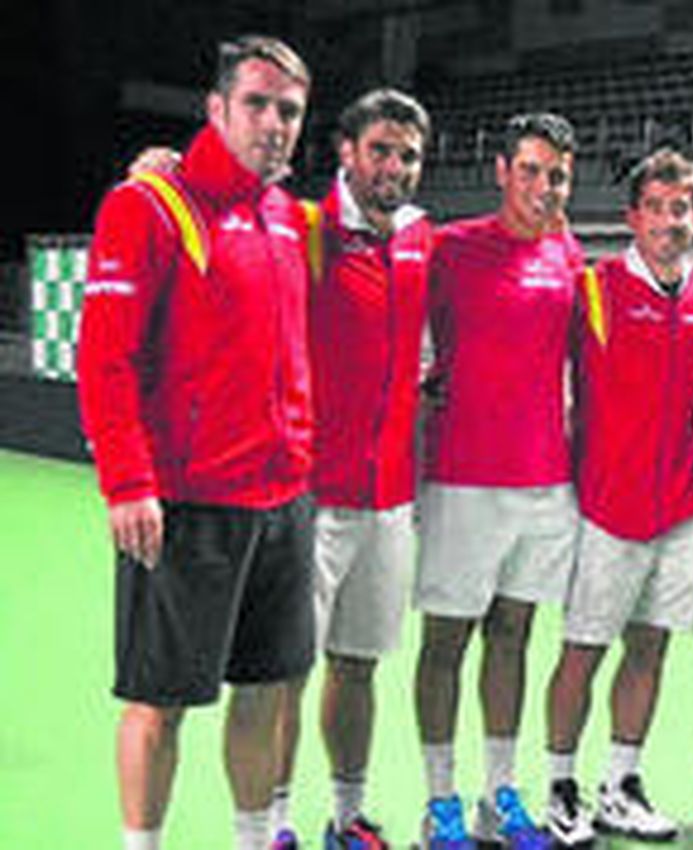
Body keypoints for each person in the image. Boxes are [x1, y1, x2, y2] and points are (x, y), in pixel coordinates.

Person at [77, 35, 318, 850]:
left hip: (283, 501)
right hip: (187, 504)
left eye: (289, 110)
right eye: (256, 103)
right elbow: (105, 355)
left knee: (264, 690)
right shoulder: (146, 206)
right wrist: (126, 480)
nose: (274, 123)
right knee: (160, 702)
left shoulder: (289, 216)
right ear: (215, 110)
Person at [412, 112, 583, 850]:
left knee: (512, 636)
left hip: (545, 484)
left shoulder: (567, 253)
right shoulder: (447, 249)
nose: (543, 187)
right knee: (446, 643)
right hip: (461, 480)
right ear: (501, 171)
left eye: (557, 175)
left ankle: (499, 796)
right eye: (532, 170)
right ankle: (440, 801)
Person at [541, 148, 693, 848]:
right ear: (633, 217)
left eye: (681, 209)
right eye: (657, 208)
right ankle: (560, 786)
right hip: (604, 510)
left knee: (649, 652)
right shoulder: (594, 287)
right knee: (581, 652)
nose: (670, 221)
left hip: (680, 510)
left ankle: (621, 784)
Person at [290, 88, 434, 850]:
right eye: (380, 149)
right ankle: (270, 825)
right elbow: (225, 215)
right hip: (313, 497)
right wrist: (164, 173)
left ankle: (348, 819)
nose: (394, 166)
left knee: (357, 666)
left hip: (389, 499)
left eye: (407, 154)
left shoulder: (419, 239)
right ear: (346, 152)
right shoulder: (303, 227)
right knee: (285, 674)